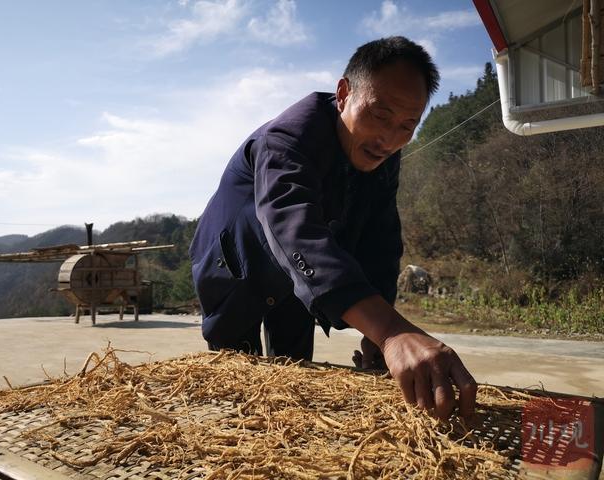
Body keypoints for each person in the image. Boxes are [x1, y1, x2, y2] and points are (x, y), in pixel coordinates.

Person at [189, 36, 477, 421]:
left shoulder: (385, 157)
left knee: (292, 378)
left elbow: (380, 238)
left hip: (297, 281)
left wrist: (377, 330)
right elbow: (292, 225)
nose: (389, 138)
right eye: (380, 115)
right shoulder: (288, 137)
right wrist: (392, 331)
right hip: (235, 265)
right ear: (344, 93)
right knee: (237, 384)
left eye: (408, 125)